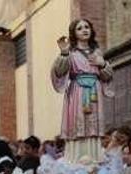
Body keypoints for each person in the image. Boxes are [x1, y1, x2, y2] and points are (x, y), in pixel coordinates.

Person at [52, 18, 113, 162]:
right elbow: (59, 72)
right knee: (77, 121)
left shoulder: (97, 52)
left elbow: (107, 76)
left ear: (91, 30)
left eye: (87, 27)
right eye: (79, 28)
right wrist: (64, 54)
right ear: (74, 33)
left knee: (93, 122)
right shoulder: (71, 53)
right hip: (77, 91)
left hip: (94, 92)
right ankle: (76, 156)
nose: (84, 30)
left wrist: (102, 64)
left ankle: (94, 155)